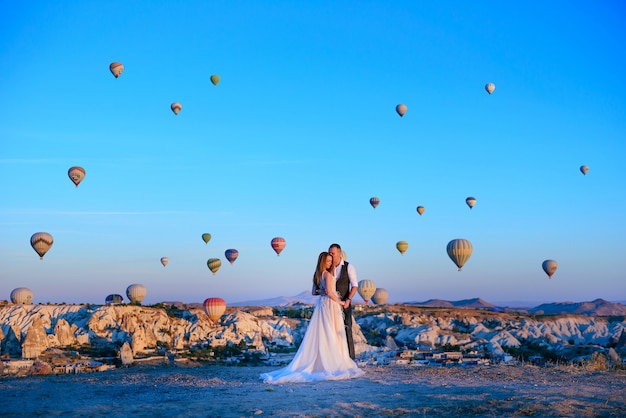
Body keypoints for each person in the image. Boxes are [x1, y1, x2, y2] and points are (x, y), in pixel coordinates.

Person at [260, 252, 364, 383]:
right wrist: (341, 302)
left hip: (322, 304)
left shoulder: (317, 275)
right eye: (327, 261)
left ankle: (324, 358)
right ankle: (333, 361)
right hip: (331, 305)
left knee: (324, 331)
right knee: (332, 332)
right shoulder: (327, 274)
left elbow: (315, 292)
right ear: (322, 262)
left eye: (331, 261)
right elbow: (331, 293)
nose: (330, 263)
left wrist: (323, 292)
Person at [327, 243, 358, 359]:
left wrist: (348, 300)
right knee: (331, 331)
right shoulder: (327, 268)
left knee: (347, 329)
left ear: (340, 253)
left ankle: (350, 358)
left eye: (333, 253)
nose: (330, 255)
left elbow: (355, 286)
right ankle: (334, 358)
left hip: (345, 303)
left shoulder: (348, 267)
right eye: (329, 253)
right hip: (330, 305)